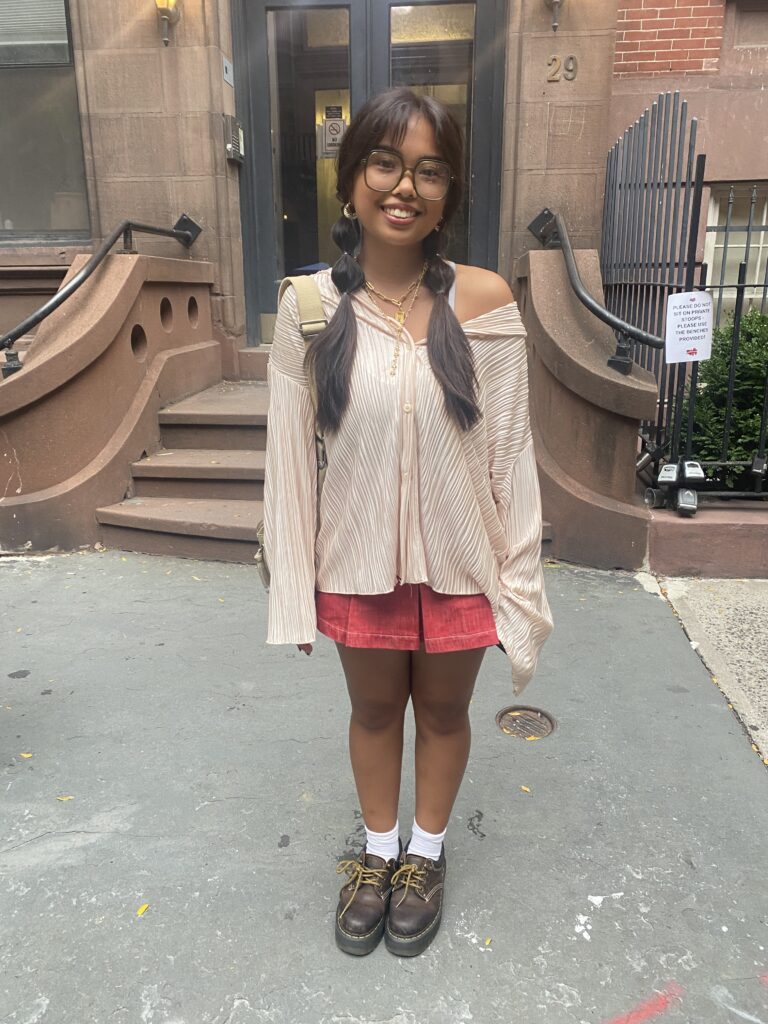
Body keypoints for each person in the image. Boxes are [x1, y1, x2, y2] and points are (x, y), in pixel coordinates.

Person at [264, 88, 552, 958]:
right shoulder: (310, 308)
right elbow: (288, 464)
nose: (405, 187)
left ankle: (424, 856)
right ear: (352, 183)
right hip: (355, 561)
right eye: (385, 164)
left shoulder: (487, 300)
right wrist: (292, 590)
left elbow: (512, 456)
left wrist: (520, 586)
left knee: (445, 711)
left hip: (464, 563)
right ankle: (377, 852)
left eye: (429, 171)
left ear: (447, 194)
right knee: (375, 711)